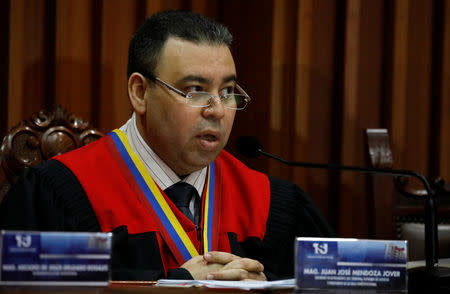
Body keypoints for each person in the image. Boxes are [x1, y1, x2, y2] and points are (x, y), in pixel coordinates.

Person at [0, 10, 333, 281]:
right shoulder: (60, 193)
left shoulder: (271, 203)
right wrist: (175, 283)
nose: (217, 110)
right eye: (194, 90)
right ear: (140, 93)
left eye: (228, 92)